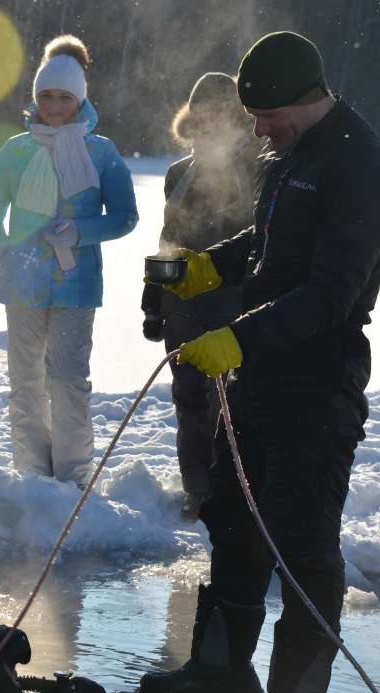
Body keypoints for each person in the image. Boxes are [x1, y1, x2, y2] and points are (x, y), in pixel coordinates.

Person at [139, 31, 380, 693]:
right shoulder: (292, 150)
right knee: (233, 521)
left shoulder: (358, 163)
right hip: (259, 375)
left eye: (267, 114)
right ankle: (220, 672)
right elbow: (271, 239)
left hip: (316, 379)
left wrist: (239, 337)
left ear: (307, 98)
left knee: (302, 545)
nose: (257, 130)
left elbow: (333, 292)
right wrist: (209, 267)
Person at [0, 35, 138, 487]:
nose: (53, 104)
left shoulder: (101, 152)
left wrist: (82, 231)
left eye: (64, 97)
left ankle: (72, 477)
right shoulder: (16, 150)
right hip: (22, 284)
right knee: (25, 381)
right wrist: (4, 251)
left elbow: (126, 216)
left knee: (67, 381)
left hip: (76, 283)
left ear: (80, 99)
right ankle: (31, 473)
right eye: (46, 95)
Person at [141, 72, 258, 520]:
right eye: (203, 117)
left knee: (236, 405)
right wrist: (153, 302)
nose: (211, 126)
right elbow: (167, 241)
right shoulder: (179, 174)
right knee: (190, 398)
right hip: (182, 309)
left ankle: (237, 491)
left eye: (222, 116)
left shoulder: (257, 171)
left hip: (237, 307)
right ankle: (198, 486)